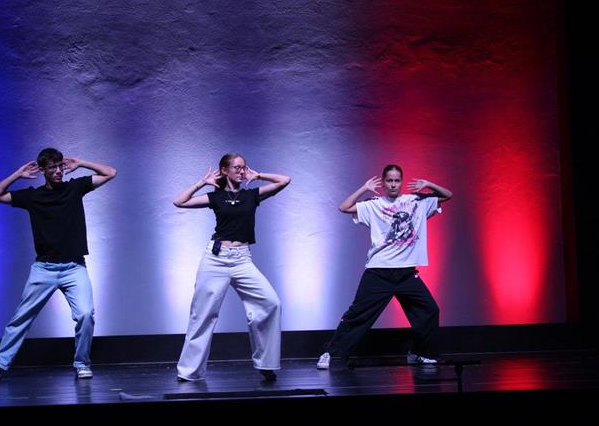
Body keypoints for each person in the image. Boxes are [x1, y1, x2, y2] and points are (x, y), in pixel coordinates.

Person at [0, 148, 117, 381]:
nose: (58, 171)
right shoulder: (33, 196)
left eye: (60, 166)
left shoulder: (75, 187)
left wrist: (81, 162)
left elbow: (110, 172)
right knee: (21, 317)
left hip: (74, 267)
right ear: (42, 170)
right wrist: (17, 175)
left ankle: (82, 363)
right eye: (52, 168)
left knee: (85, 314)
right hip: (44, 268)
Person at [317, 164, 452, 369]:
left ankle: (418, 353)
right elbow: (343, 207)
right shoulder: (374, 204)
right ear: (384, 182)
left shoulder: (416, 201)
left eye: (397, 180)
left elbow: (448, 195)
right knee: (357, 314)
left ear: (401, 182)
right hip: (379, 271)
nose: (393, 184)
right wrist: (363, 188)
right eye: (389, 180)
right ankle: (330, 352)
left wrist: (428, 184)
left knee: (429, 310)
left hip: (406, 273)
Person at [173, 153, 290, 382]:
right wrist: (200, 183)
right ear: (224, 170)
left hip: (242, 259)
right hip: (215, 258)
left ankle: (266, 364)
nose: (241, 171)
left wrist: (259, 176)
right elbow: (180, 201)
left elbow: (284, 180)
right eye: (236, 167)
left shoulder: (251, 196)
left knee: (271, 303)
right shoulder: (215, 197)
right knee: (202, 315)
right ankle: (188, 372)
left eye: (243, 167)